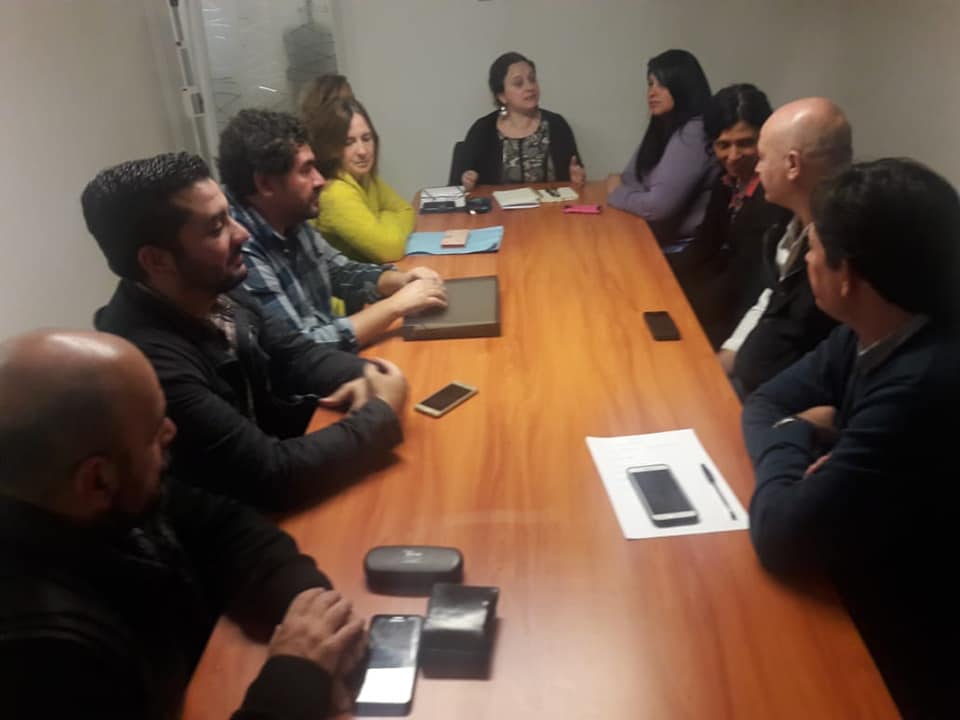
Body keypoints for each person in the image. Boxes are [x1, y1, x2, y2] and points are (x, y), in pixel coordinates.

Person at [0, 329, 366, 718]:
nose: (171, 431)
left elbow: (225, 527)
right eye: (154, 429)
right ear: (97, 479)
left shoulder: (106, 496)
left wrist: (314, 617)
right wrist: (297, 678)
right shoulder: (42, 654)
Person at [743, 158, 960, 718]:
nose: (806, 259)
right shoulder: (873, 326)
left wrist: (796, 432)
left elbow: (782, 536)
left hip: (910, 644)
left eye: (815, 248)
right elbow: (763, 402)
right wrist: (814, 445)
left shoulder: (923, 382)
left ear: (848, 276)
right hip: (862, 565)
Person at [86, 152, 407, 510]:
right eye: (216, 228)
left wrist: (370, 377)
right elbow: (271, 474)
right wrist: (380, 411)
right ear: (157, 260)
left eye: (229, 216)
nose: (242, 233)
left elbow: (297, 356)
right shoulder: (148, 365)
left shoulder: (214, 288)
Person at [219, 108, 446, 350]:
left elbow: (339, 271)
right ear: (265, 184)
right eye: (305, 170)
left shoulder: (288, 216)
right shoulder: (239, 249)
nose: (320, 180)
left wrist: (400, 280)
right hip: (313, 369)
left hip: (335, 358)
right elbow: (302, 348)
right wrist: (396, 306)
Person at [717, 97, 849, 395]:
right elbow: (770, 298)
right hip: (749, 385)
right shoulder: (786, 223)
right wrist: (726, 357)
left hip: (775, 405)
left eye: (763, 157)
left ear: (792, 164)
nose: (758, 168)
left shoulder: (840, 251)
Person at [682, 84, 791, 347]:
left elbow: (745, 278)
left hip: (746, 315)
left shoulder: (773, 195)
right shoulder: (726, 181)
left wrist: (685, 305)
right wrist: (661, 277)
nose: (733, 156)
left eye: (745, 143)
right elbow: (704, 244)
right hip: (722, 295)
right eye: (723, 145)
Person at [606, 49, 717, 254]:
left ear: (683, 87)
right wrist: (635, 195)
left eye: (662, 85)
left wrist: (617, 192)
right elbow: (630, 178)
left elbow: (656, 208)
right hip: (652, 236)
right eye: (650, 84)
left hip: (683, 249)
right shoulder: (662, 127)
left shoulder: (694, 131)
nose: (652, 92)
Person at [456, 51, 585, 191]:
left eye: (532, 79)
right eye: (518, 83)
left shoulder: (557, 125)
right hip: (498, 206)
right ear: (502, 96)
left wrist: (577, 180)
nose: (530, 87)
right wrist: (467, 182)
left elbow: (575, 176)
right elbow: (458, 185)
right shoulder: (483, 130)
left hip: (551, 204)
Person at [306, 98, 415, 263]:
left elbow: (406, 210)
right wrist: (385, 217)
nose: (362, 151)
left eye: (366, 138)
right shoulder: (335, 193)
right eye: (349, 143)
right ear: (330, 148)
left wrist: (381, 223)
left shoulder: (365, 178)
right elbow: (390, 250)